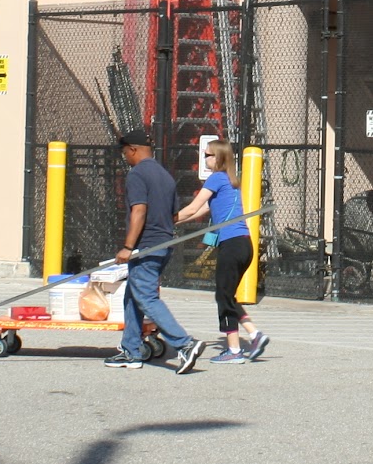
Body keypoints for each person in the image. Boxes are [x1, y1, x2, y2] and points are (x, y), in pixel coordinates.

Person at [103, 130, 205, 373]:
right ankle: (131, 350)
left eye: (125, 153)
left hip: (146, 246)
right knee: (133, 296)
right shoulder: (165, 175)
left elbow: (139, 210)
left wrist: (128, 247)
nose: (125, 157)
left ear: (133, 149)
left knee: (146, 297)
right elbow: (173, 215)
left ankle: (184, 344)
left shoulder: (137, 174)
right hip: (163, 244)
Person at [174, 141, 270, 364]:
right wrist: (175, 223)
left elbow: (192, 207)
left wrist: (166, 219)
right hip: (243, 245)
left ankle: (235, 350)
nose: (205, 158)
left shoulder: (216, 178)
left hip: (232, 244)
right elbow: (202, 210)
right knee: (227, 295)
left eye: (207, 155)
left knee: (223, 296)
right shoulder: (230, 181)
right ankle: (254, 335)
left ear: (218, 158)